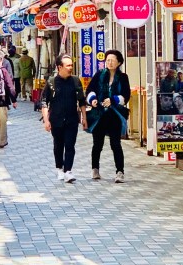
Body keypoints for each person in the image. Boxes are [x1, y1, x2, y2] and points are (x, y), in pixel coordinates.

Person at [86, 49, 131, 183]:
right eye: (107, 60)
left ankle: (120, 172)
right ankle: (95, 169)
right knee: (97, 143)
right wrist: (93, 99)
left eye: (112, 60)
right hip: (99, 114)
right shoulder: (99, 74)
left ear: (119, 63)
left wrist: (114, 99)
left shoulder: (123, 77)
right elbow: (90, 90)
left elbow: (126, 95)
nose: (109, 62)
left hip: (114, 114)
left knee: (115, 144)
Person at [41, 54, 87, 183]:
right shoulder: (51, 82)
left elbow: (81, 101)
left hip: (72, 119)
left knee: (70, 145)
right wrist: (46, 121)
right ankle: (59, 168)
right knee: (58, 145)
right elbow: (44, 102)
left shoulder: (76, 81)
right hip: (56, 119)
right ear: (59, 67)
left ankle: (68, 171)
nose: (70, 68)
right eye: (68, 66)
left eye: (71, 65)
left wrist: (84, 118)